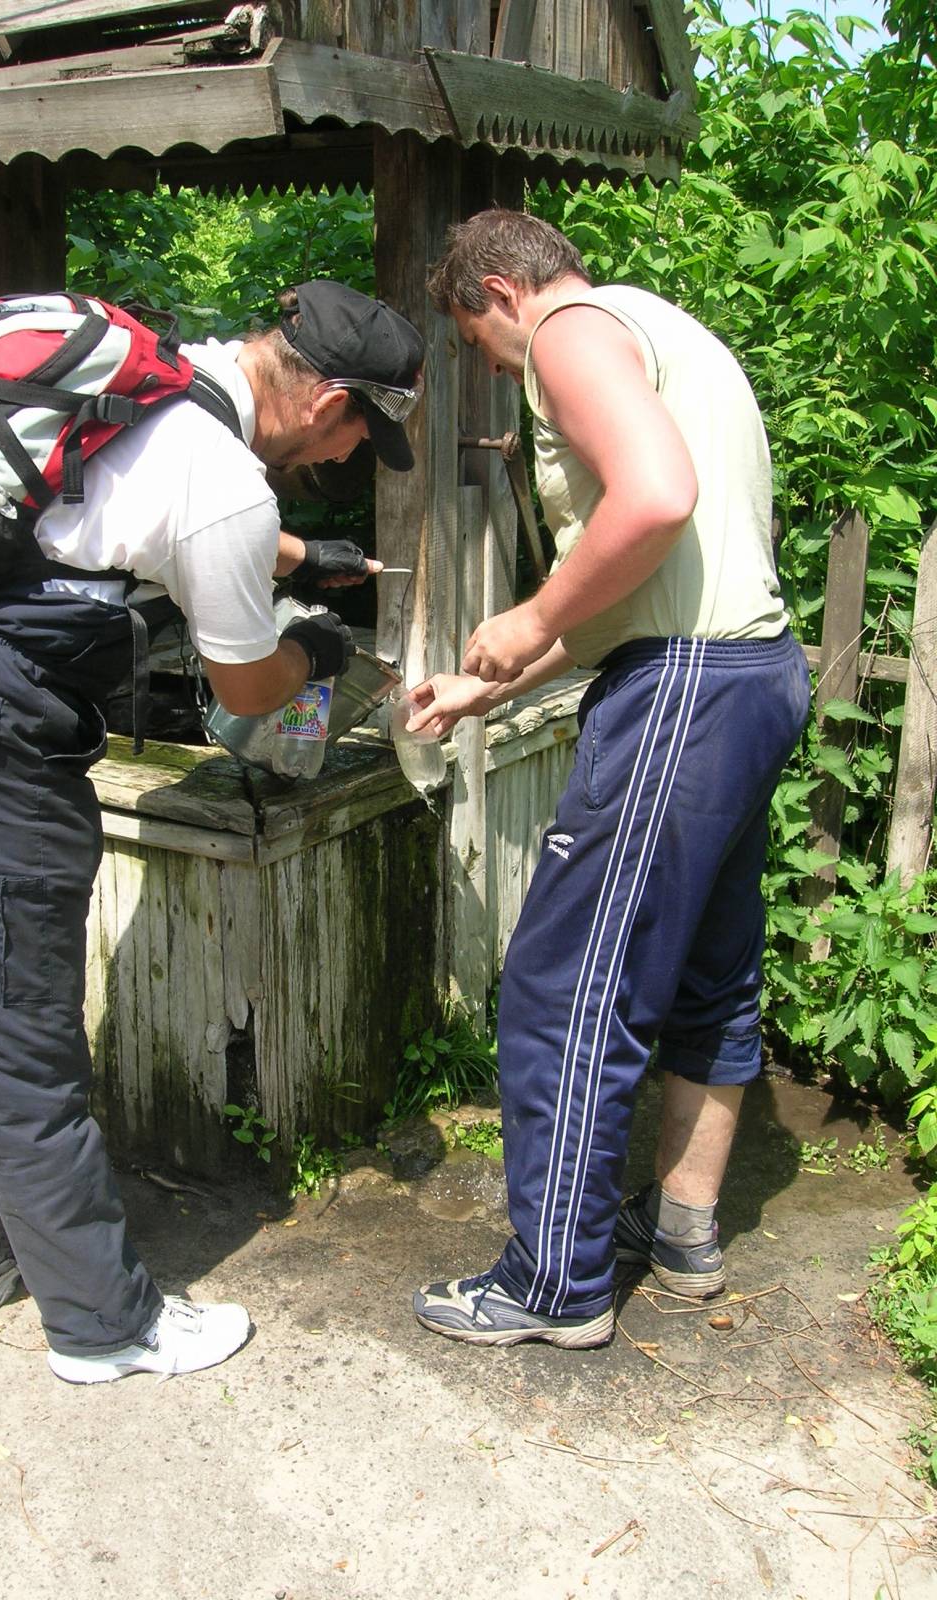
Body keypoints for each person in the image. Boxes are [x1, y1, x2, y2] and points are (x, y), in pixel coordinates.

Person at [0, 280, 424, 1383]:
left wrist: (300, 557)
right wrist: (319, 650)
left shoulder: (151, 382)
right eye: (357, 437)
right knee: (19, 1030)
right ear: (330, 400)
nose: (346, 459)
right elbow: (248, 688)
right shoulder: (227, 485)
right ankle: (105, 1323)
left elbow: (115, 511)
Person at [408, 210, 810, 1350]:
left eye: (481, 344)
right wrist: (488, 684)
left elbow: (653, 499)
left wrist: (532, 612)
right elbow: (651, 574)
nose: (500, 370)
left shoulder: (568, 330)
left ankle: (556, 1282)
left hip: (684, 691)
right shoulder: (666, 330)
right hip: (751, 676)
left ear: (501, 290)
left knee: (563, 983)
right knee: (710, 976)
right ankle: (680, 1231)